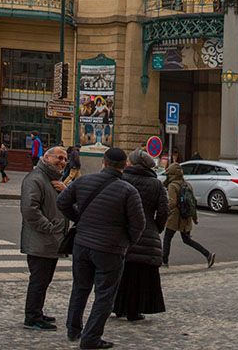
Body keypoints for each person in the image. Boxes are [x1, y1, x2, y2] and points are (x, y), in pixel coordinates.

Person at [57, 146, 145, 349]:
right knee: (104, 295)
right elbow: (138, 224)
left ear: (103, 163)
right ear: (124, 166)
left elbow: (62, 202)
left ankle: (73, 329)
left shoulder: (83, 180)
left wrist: (78, 217)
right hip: (111, 248)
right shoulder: (128, 191)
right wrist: (128, 241)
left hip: (82, 243)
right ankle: (91, 338)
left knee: (79, 288)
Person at [112, 149, 168, 322]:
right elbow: (164, 211)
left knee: (122, 273)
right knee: (141, 275)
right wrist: (155, 228)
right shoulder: (156, 184)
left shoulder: (122, 179)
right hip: (148, 231)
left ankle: (118, 307)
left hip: (123, 232)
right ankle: (135, 310)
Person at [20, 145, 69, 330]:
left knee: (44, 280)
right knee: (39, 281)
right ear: (46, 158)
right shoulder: (36, 179)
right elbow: (29, 210)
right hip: (41, 239)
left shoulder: (53, 180)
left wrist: (65, 190)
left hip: (51, 241)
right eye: (59, 158)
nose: (62, 162)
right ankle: (32, 317)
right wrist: (49, 228)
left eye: (65, 159)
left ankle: (37, 312)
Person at [162, 162, 214, 269]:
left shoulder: (172, 186)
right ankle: (207, 254)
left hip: (174, 218)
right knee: (187, 240)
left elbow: (172, 203)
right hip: (186, 217)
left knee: (167, 238)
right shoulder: (187, 184)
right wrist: (195, 218)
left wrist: (165, 213)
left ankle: (164, 261)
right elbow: (192, 202)